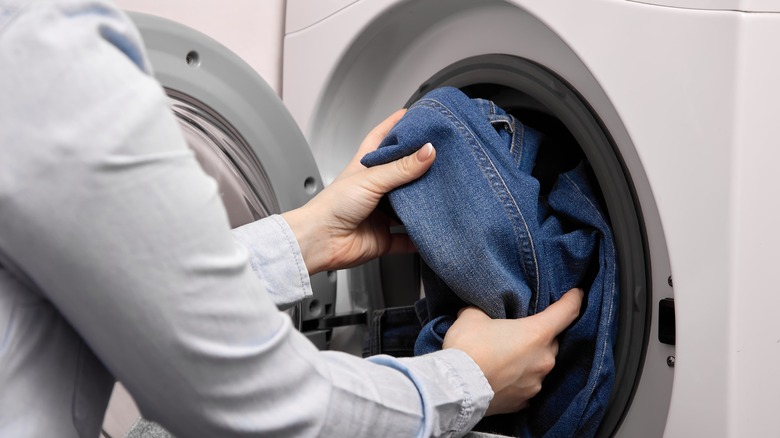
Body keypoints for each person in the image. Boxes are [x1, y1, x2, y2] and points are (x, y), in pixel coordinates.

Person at [0, 1, 583, 437]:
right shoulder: (44, 56)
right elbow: (251, 406)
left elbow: (121, 282)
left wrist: (307, 234)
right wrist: (466, 381)